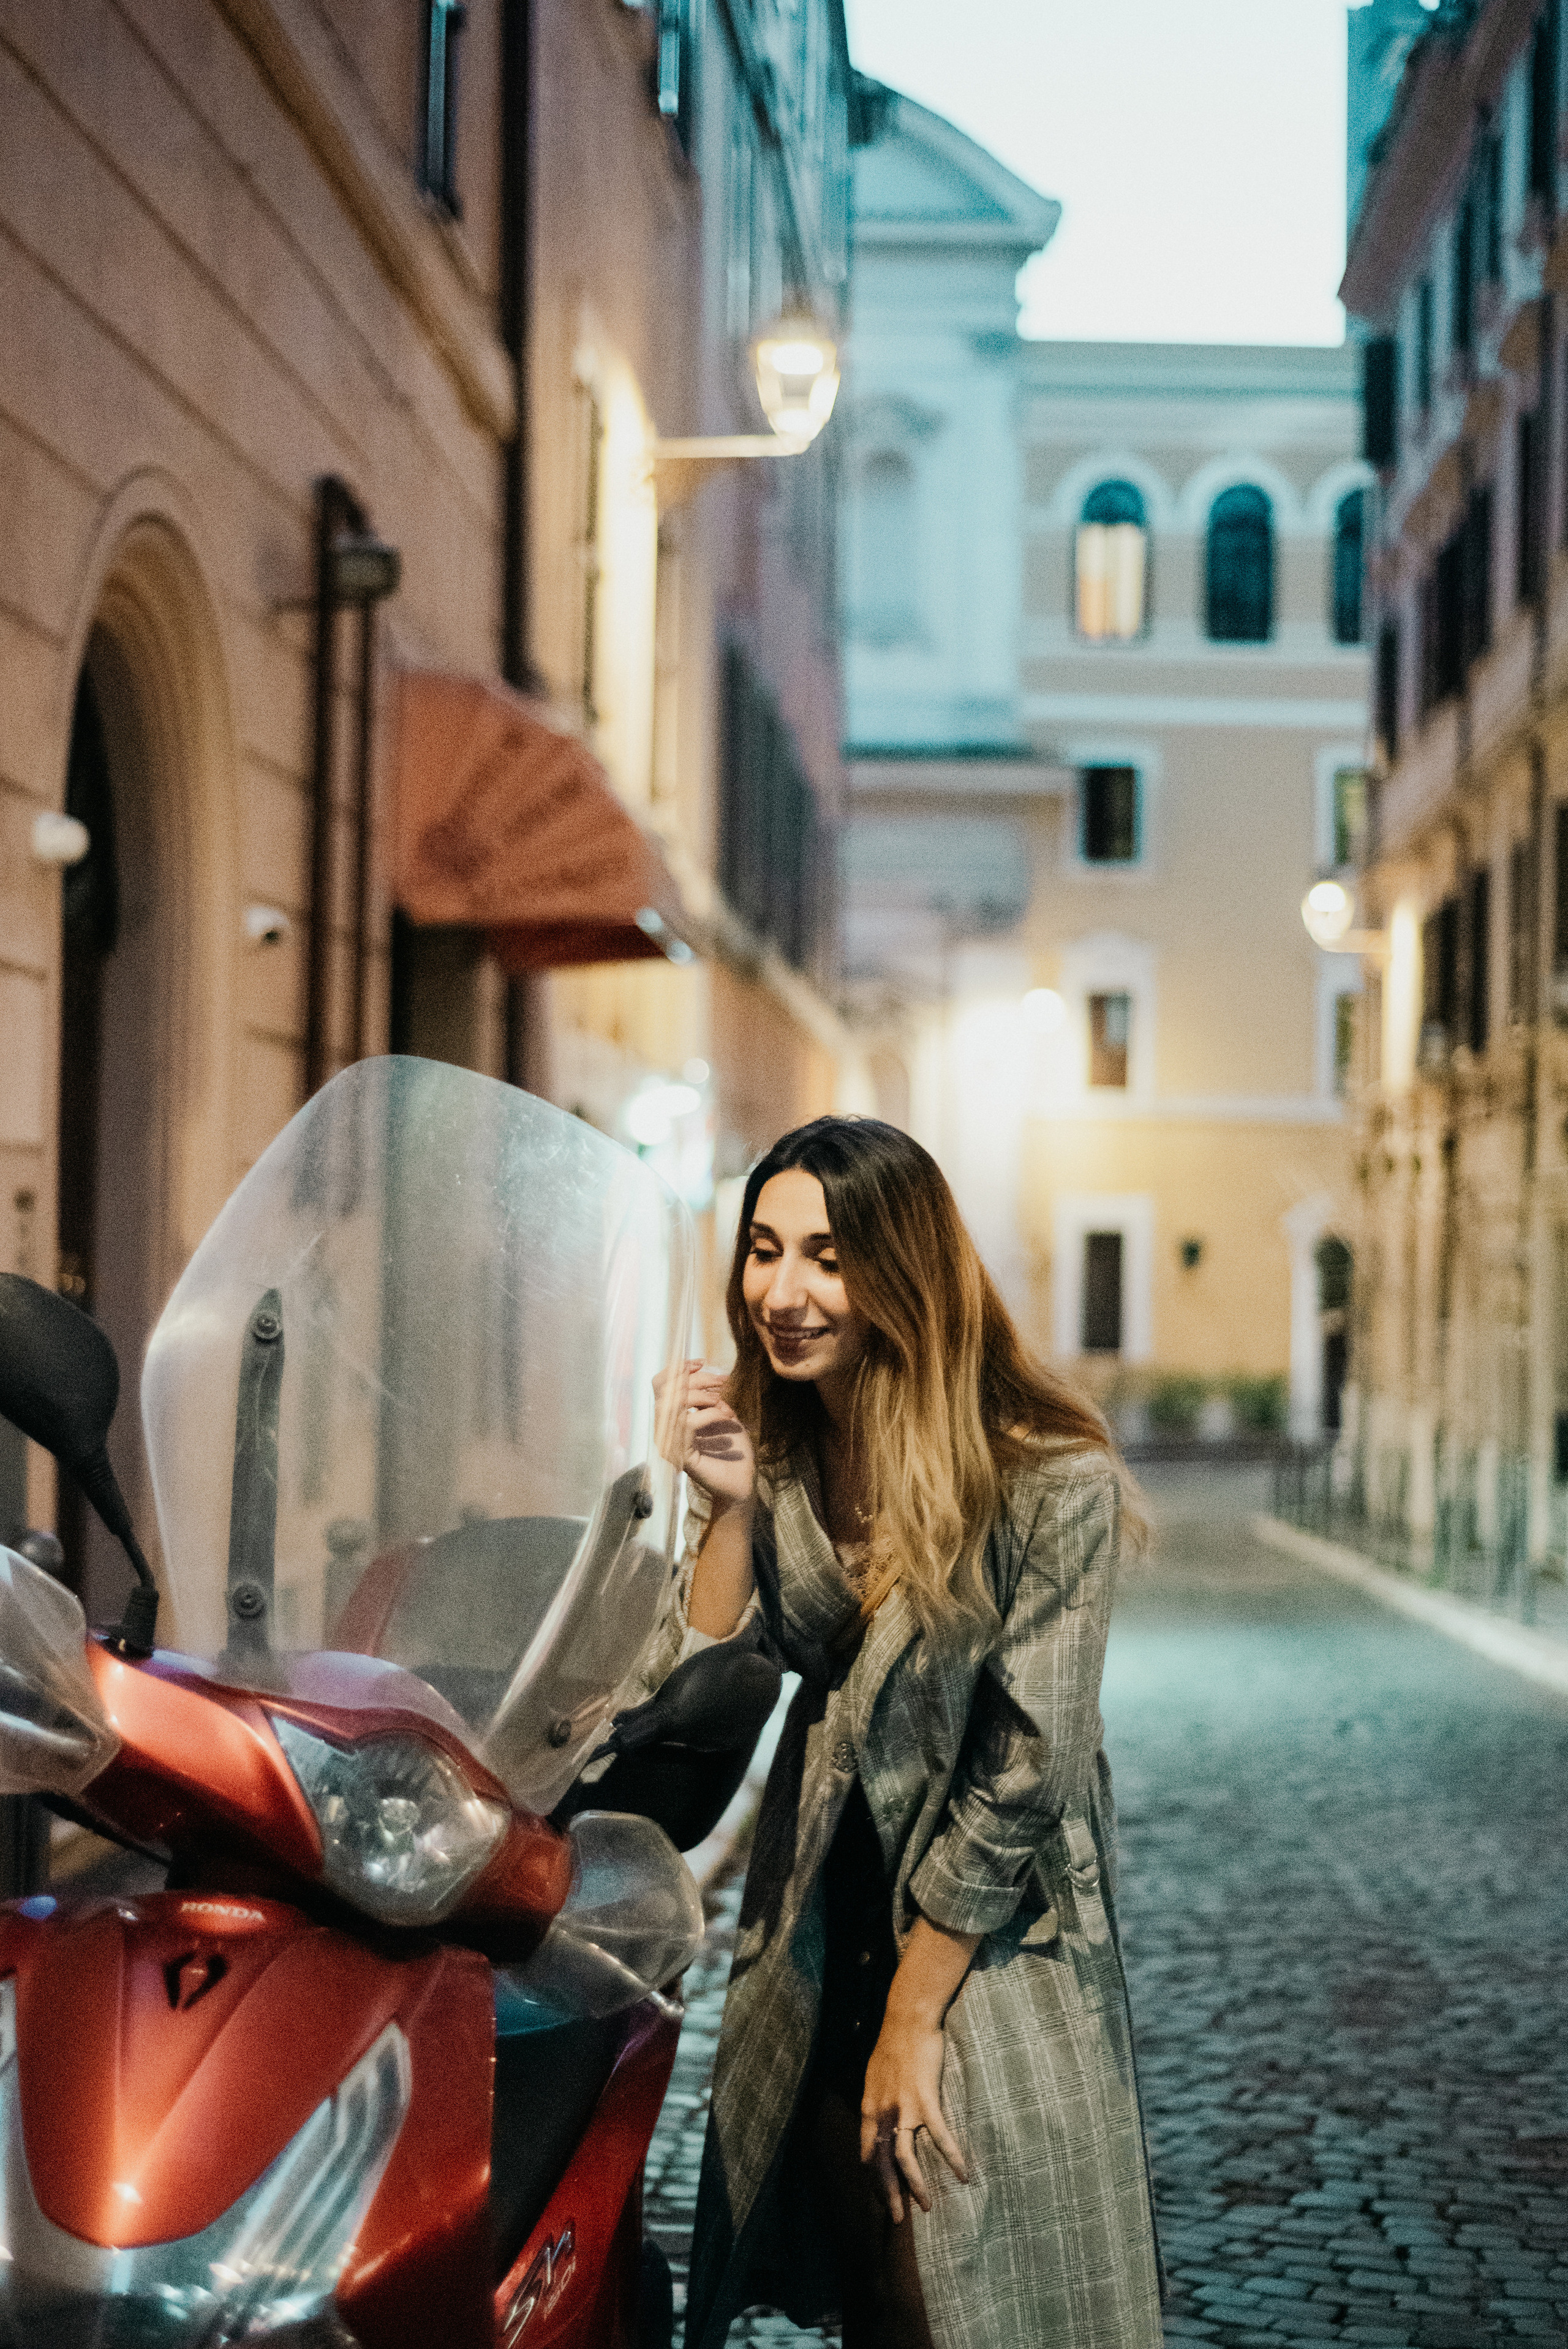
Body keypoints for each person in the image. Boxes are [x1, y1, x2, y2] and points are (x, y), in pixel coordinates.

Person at [649, 1116, 1164, 2349]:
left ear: (900, 1269)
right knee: (874, 2300)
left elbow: (1022, 1776)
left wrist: (912, 2022)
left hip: (983, 1957)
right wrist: (723, 1510)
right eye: (763, 1252)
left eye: (825, 1257)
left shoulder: (1049, 1480)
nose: (781, 1292)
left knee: (974, 2300)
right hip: (819, 1947)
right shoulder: (782, 1451)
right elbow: (697, 1687)